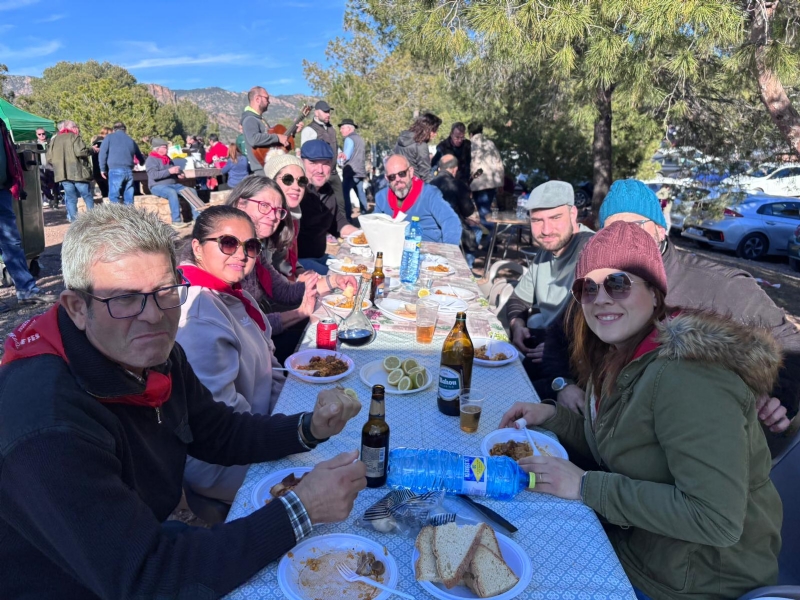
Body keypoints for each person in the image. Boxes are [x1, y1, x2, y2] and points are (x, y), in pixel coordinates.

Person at [0, 203, 366, 599]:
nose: (154, 316)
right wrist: (303, 508)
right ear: (77, 308)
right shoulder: (48, 427)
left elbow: (216, 430)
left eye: (164, 291)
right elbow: (149, 576)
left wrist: (308, 427)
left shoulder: (149, 353)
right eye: (123, 299)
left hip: (139, 539)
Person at [500, 221, 782, 600]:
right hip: (639, 546)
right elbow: (616, 442)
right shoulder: (619, 354)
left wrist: (585, 486)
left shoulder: (690, 378)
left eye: (618, 283)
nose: (600, 299)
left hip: (692, 582)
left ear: (654, 292)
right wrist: (553, 416)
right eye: (588, 288)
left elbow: (716, 519)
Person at [560, 178, 798, 435]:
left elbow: (790, 343)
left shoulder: (720, 284)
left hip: (708, 436)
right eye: (612, 230)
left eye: (635, 226)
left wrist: (778, 397)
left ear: (661, 230)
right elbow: (562, 333)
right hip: (617, 432)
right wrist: (561, 384)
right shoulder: (597, 285)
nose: (624, 237)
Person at [224, 175, 357, 362]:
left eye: (278, 211)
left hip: (256, 339)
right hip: (238, 356)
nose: (273, 216)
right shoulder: (223, 254)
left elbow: (284, 291)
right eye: (264, 206)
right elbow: (241, 325)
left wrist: (333, 281)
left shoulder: (254, 250)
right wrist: (299, 313)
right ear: (241, 204)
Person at [506, 181, 593, 379]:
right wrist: (517, 325)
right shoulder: (546, 252)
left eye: (555, 217)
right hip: (543, 346)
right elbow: (518, 299)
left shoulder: (591, 249)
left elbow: (596, 321)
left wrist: (557, 351)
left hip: (574, 363)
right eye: (537, 220)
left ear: (573, 214)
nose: (546, 230)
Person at [0, 119, 58, 313]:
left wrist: (14, 180)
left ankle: (26, 291)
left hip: (2, 190)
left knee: (12, 242)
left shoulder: (1, 124)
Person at [296, 140, 358, 274]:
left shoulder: (327, 190)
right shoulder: (296, 192)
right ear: (301, 162)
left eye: (326, 164)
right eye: (313, 163)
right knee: (341, 278)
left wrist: (365, 236)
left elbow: (339, 224)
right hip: (297, 262)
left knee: (353, 268)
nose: (320, 170)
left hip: (319, 257)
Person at [374, 154, 461, 245]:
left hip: (427, 252)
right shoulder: (381, 197)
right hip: (392, 250)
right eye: (392, 177)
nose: (398, 179)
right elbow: (374, 227)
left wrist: (447, 252)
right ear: (386, 178)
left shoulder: (429, 194)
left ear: (411, 172)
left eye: (402, 173)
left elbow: (451, 221)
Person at [429, 154, 480, 266]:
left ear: (439, 167)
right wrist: (469, 199)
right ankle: (467, 267)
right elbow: (468, 211)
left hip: (432, 226)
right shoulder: (458, 185)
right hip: (452, 227)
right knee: (478, 231)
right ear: (455, 169)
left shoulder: (430, 184)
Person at [300, 100, 346, 218]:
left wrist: (340, 153)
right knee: (319, 204)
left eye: (329, 112)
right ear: (316, 113)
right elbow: (306, 154)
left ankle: (343, 230)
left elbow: (335, 145)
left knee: (340, 203)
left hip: (333, 172)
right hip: (318, 174)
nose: (328, 114)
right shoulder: (309, 130)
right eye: (325, 112)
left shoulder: (331, 128)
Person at [265, 151, 306, 279]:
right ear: (272, 182)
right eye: (288, 180)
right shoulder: (265, 220)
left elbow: (284, 259)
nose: (296, 187)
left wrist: (300, 271)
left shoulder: (294, 216)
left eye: (302, 181)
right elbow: (266, 274)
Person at [145, 137, 200, 229]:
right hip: (157, 186)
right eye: (164, 147)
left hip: (173, 184)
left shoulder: (167, 158)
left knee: (191, 191)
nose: (167, 149)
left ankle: (197, 218)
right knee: (171, 192)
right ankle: (176, 221)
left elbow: (173, 171)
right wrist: (169, 171)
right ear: (157, 148)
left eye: (166, 147)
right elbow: (153, 175)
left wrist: (179, 174)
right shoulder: (151, 160)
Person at [46, 120, 93, 222]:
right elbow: (80, 152)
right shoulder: (75, 137)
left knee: (71, 199)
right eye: (75, 126)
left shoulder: (54, 140)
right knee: (87, 196)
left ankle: (74, 222)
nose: (77, 128)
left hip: (63, 174)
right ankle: (92, 220)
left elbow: (49, 158)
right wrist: (92, 150)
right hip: (78, 172)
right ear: (71, 127)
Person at [241, 86, 290, 176]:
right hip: (262, 169)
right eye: (267, 98)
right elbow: (253, 139)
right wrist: (277, 137)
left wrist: (292, 133)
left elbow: (269, 142)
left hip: (267, 167)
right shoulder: (250, 119)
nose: (269, 102)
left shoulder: (258, 119)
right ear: (257, 99)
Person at [468, 122, 504, 232]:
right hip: (492, 182)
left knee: (484, 213)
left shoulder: (470, 145)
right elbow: (499, 163)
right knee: (486, 211)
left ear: (470, 133)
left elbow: (469, 165)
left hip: (478, 183)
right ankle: (491, 239)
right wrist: (501, 182)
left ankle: (490, 241)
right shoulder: (490, 144)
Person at [98, 121, 145, 205]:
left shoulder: (109, 138)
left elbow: (102, 153)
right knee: (128, 196)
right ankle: (129, 215)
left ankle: (117, 216)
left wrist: (102, 169)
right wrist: (142, 162)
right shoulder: (130, 140)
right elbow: (139, 155)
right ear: (125, 130)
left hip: (115, 170)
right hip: (129, 171)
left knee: (114, 196)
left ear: (113, 130)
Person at [394, 112, 441, 183]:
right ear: (427, 129)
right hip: (415, 187)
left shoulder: (400, 139)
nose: (435, 134)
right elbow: (425, 175)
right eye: (434, 130)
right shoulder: (420, 145)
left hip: (399, 184)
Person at [339, 118, 368, 219]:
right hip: (360, 172)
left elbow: (345, 157)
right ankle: (366, 217)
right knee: (361, 194)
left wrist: (339, 162)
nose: (340, 130)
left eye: (342, 128)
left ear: (349, 128)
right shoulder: (360, 139)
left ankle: (347, 219)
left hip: (350, 173)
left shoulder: (349, 139)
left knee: (344, 195)